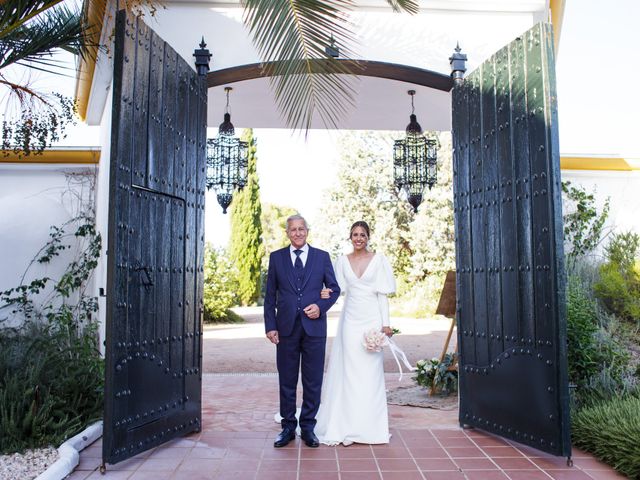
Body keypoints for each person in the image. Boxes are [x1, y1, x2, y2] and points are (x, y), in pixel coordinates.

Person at [315, 220, 396, 446]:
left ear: (368, 237)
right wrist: (322, 295)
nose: (358, 238)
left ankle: (370, 427)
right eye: (354, 234)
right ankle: (346, 424)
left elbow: (382, 295)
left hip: (372, 321)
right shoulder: (341, 261)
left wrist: (386, 324)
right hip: (350, 321)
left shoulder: (378, 260)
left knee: (370, 373)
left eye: (362, 234)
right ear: (349, 237)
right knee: (349, 372)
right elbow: (334, 289)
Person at [264, 214, 341, 448]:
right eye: (293, 230)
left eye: (301, 229)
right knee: (287, 380)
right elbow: (269, 296)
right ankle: (288, 427)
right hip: (285, 328)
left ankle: (308, 427)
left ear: (307, 231)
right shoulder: (276, 258)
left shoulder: (322, 257)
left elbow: (334, 289)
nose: (298, 233)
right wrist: (270, 326)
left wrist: (320, 306)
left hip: (314, 329)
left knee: (313, 380)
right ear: (287, 233)